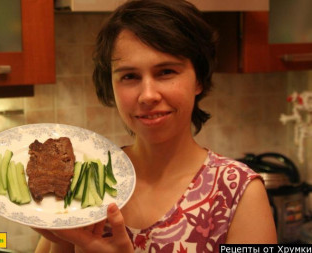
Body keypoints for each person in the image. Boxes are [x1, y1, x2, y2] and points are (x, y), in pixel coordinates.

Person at [34, 0, 277, 252]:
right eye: (130, 76)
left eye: (166, 72)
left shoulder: (237, 193)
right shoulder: (86, 177)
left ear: (199, 80)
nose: (148, 95)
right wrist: (62, 236)